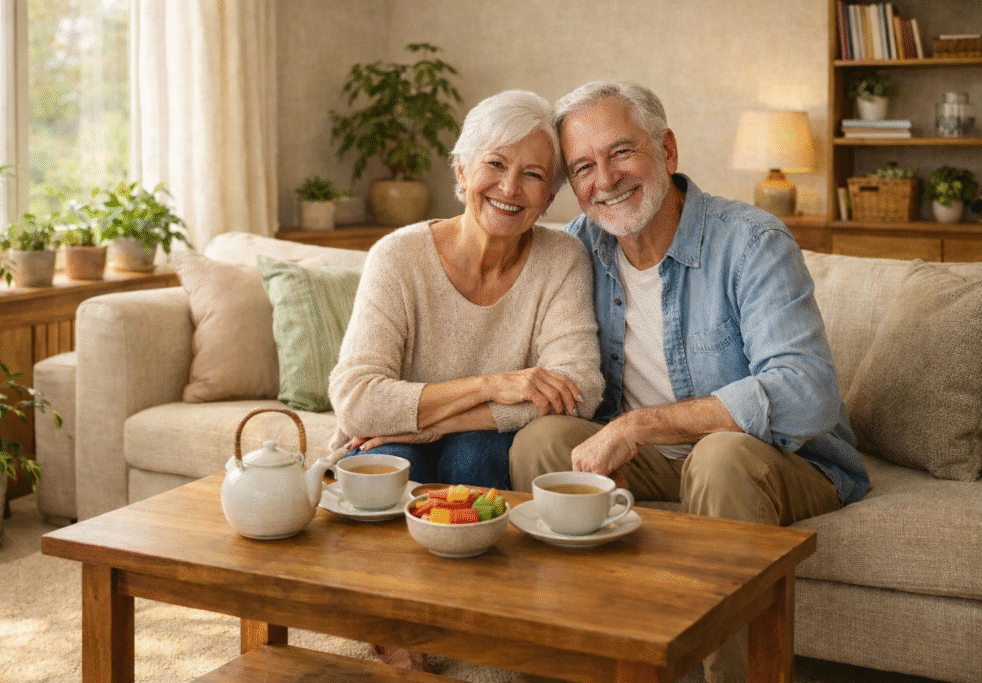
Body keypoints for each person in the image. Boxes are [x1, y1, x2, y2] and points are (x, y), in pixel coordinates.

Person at [508, 81, 870, 683]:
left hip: (785, 460)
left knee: (720, 458)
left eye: (622, 152)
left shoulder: (751, 241)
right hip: (655, 460)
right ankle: (590, 666)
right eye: (583, 167)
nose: (605, 179)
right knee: (540, 442)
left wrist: (637, 426)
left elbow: (806, 394)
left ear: (667, 151)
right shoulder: (575, 250)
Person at [328, 88, 604, 492]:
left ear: (548, 198)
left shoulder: (563, 258)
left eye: (532, 174)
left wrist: (438, 423)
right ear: (461, 170)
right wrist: (492, 385)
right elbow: (357, 401)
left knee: (476, 454)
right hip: (386, 442)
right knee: (394, 463)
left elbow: (579, 389)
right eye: (495, 163)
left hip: (484, 444)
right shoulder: (397, 256)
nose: (509, 188)